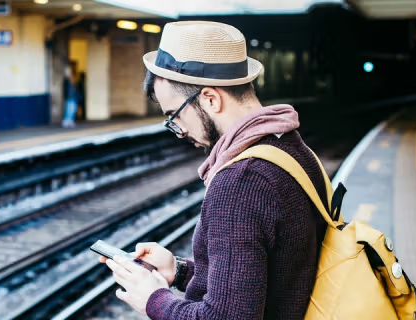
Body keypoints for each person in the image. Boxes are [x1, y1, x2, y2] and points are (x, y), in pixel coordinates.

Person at [99, 21, 329, 319]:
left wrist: (153, 299)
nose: (177, 130)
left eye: (175, 115)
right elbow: (265, 279)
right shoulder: (291, 149)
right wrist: (179, 270)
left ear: (210, 98)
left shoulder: (241, 182)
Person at [62, 63, 78, 128]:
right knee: (69, 110)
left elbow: (74, 88)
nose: (69, 73)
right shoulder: (66, 80)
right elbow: (65, 90)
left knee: (73, 109)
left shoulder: (71, 80)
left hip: (73, 97)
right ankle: (66, 121)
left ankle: (70, 120)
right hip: (69, 97)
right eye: (68, 72)